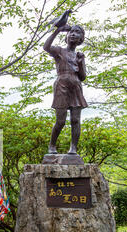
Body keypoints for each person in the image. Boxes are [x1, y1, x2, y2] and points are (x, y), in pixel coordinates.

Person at [44, 24, 87, 155]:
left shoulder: (79, 55)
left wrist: (80, 62)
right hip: (61, 84)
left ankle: (73, 148)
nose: (73, 34)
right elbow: (46, 47)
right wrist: (57, 30)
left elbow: (83, 76)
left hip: (76, 86)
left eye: (77, 32)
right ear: (67, 36)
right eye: (71, 32)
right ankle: (52, 146)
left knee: (75, 120)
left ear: (81, 39)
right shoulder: (59, 51)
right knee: (60, 121)